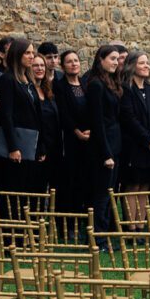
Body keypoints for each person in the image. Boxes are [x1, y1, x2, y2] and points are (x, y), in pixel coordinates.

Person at [119, 50, 150, 230]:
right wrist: (148, 140)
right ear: (132, 66)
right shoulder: (125, 89)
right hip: (135, 145)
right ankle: (131, 227)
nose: (146, 66)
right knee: (133, 185)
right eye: (142, 63)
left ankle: (140, 225)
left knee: (146, 186)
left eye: (147, 63)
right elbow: (129, 118)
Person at [0, 37, 43, 193]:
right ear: (17, 54)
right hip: (17, 141)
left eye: (32, 53)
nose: (31, 56)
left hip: (31, 141)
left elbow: (36, 113)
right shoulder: (8, 80)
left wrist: (40, 146)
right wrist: (13, 147)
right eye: (27, 53)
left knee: (28, 187)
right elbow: (6, 115)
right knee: (15, 187)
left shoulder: (28, 80)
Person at [85, 44, 124, 232]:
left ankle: (105, 234)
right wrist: (106, 153)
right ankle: (97, 236)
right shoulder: (96, 84)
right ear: (101, 60)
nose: (116, 62)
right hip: (103, 147)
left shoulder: (111, 82)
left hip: (115, 144)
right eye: (112, 59)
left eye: (117, 59)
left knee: (109, 193)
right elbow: (97, 122)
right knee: (101, 194)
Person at [53, 49, 93, 213]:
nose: (74, 64)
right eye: (69, 61)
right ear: (63, 66)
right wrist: (76, 131)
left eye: (76, 60)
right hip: (70, 139)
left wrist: (90, 130)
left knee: (85, 179)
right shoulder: (60, 86)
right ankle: (69, 221)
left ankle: (83, 215)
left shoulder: (85, 84)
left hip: (88, 139)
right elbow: (63, 112)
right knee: (70, 180)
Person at [31, 52, 62, 194]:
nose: (40, 68)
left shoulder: (48, 90)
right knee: (38, 190)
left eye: (42, 65)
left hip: (54, 148)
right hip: (38, 150)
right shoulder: (28, 91)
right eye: (35, 65)